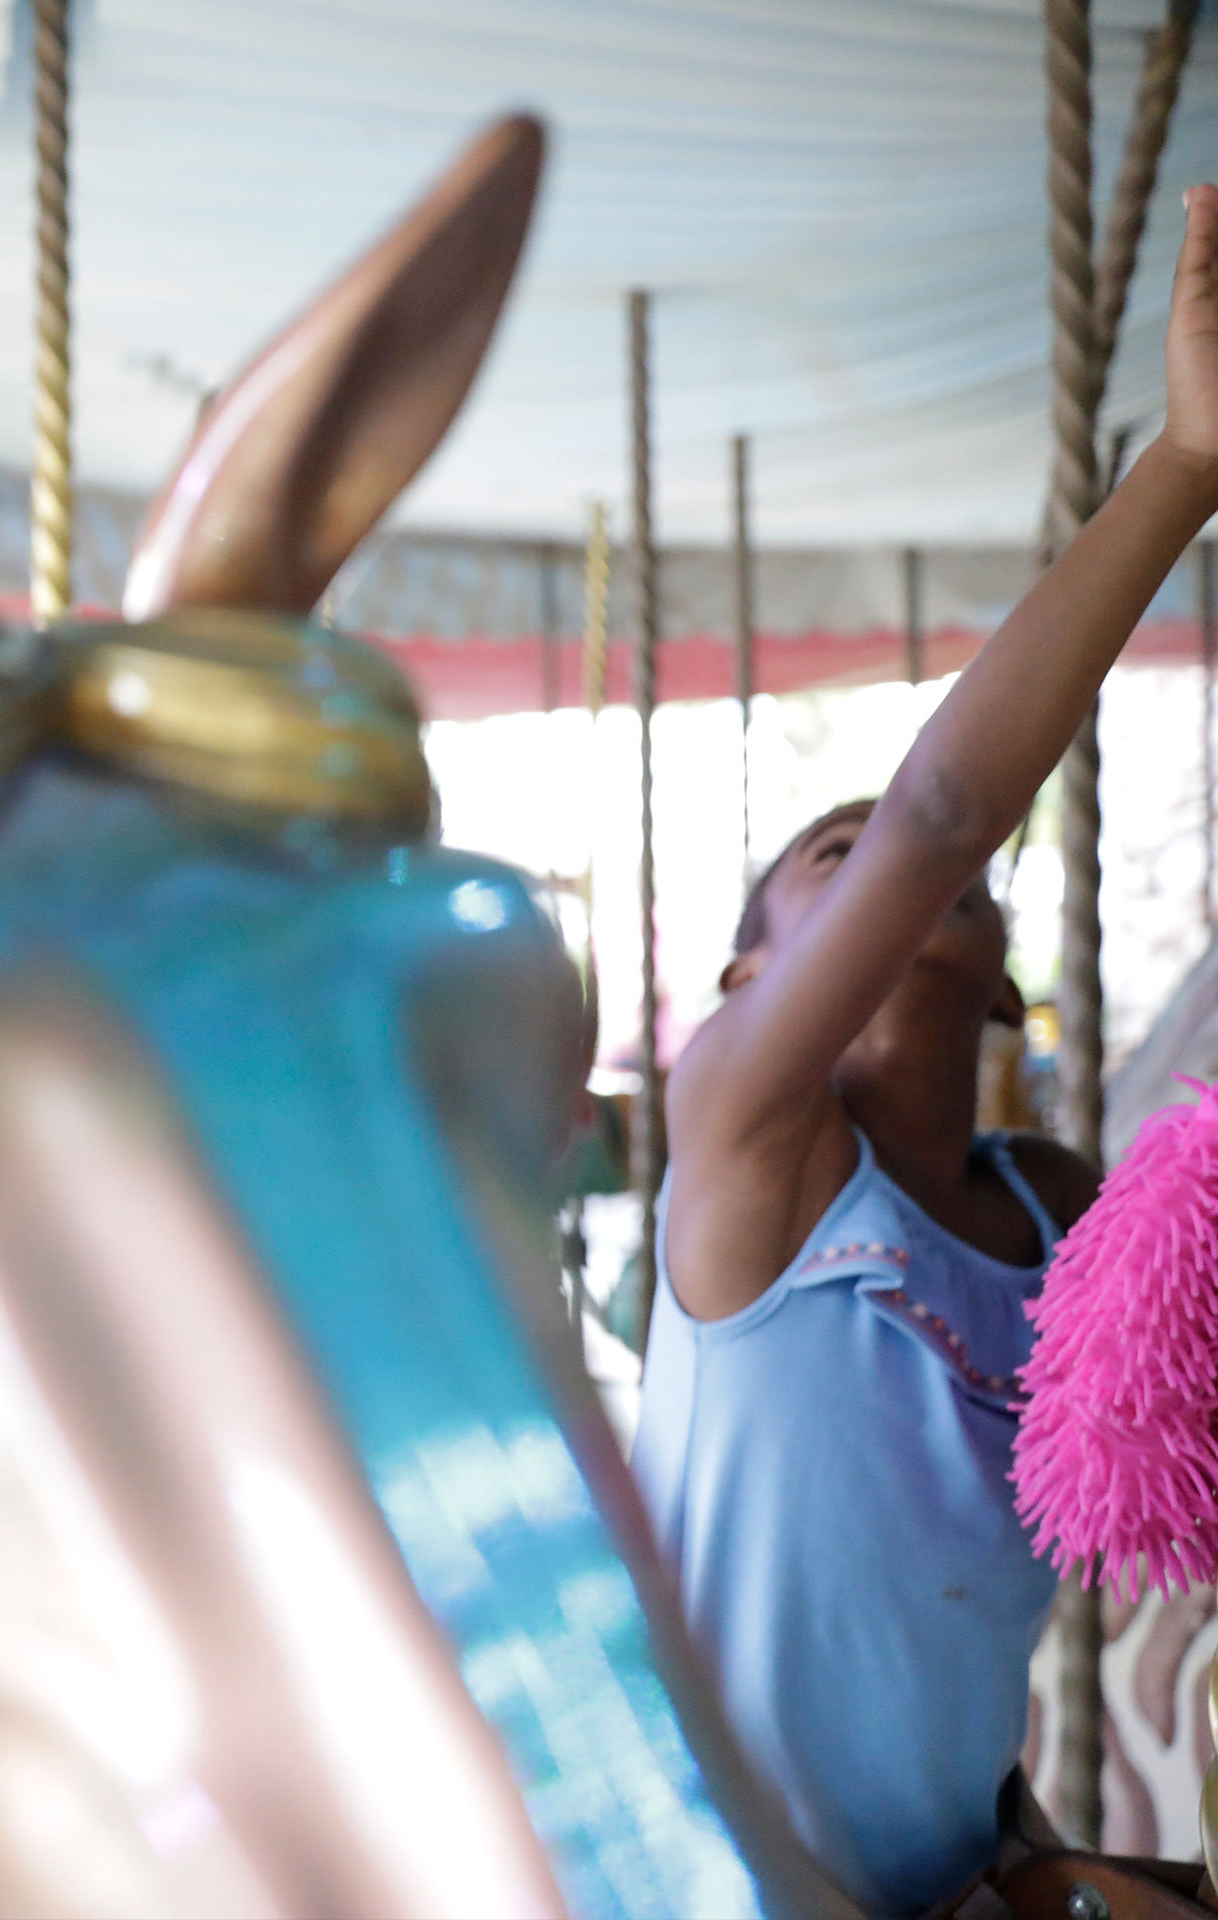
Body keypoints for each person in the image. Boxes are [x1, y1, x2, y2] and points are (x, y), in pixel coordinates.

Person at [633, 185, 1218, 1916]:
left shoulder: (1053, 1213)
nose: (899, 867)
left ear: (1012, 989)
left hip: (945, 1876)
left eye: (886, 856)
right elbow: (946, 810)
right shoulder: (751, 1158)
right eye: (841, 859)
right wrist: (1185, 468)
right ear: (751, 980)